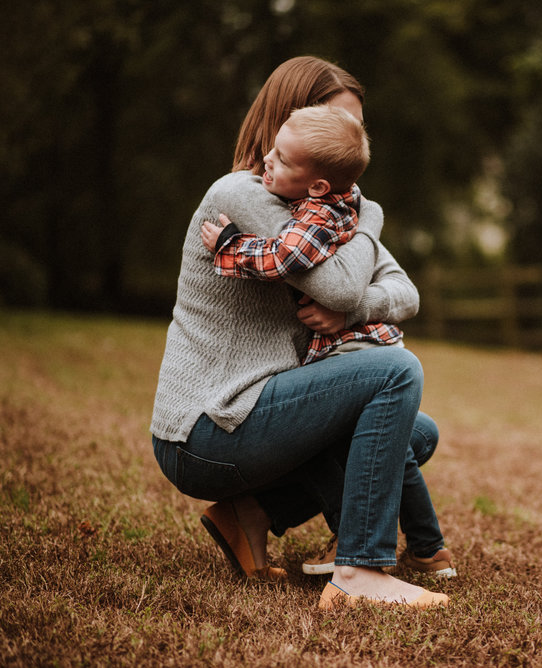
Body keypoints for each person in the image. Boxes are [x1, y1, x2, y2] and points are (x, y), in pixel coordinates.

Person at [150, 56, 451, 608]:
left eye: (356, 129)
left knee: (417, 433)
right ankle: (360, 572)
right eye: (336, 123)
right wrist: (370, 219)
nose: (349, 142)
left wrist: (351, 311)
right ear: (290, 121)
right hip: (208, 425)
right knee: (397, 371)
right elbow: (339, 286)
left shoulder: (321, 211)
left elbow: (404, 293)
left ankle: (252, 513)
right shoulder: (243, 194)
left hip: (256, 412)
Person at [200, 104, 404, 364]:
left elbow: (282, 257)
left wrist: (230, 245)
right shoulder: (342, 195)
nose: (268, 158)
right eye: (274, 148)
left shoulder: (318, 218)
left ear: (318, 187)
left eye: (282, 159)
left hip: (352, 346)